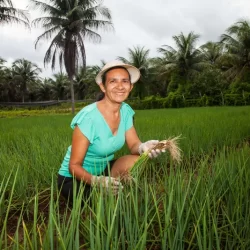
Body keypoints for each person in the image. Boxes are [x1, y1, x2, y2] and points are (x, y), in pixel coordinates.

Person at [57, 61, 164, 203]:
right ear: (103, 86)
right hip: (75, 178)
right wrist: (97, 181)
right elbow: (74, 166)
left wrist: (143, 147)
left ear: (130, 86)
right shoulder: (89, 117)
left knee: (136, 161)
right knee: (105, 205)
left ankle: (114, 189)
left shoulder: (125, 111)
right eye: (113, 81)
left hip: (103, 170)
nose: (120, 86)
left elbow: (133, 145)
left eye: (124, 81)